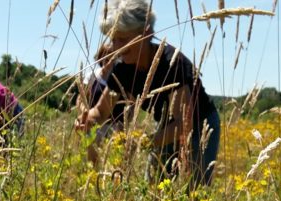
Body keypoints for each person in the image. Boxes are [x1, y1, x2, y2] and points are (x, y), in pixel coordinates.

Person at [75, 0, 221, 188]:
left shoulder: (172, 63)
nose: (116, 47)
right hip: (167, 127)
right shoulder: (122, 70)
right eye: (113, 39)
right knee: (152, 188)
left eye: (123, 39)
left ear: (146, 33)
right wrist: (87, 119)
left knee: (195, 191)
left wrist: (143, 141)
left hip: (201, 126)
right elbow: (101, 112)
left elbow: (184, 124)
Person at [79, 42, 128, 167]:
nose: (109, 60)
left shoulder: (123, 76)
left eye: (113, 56)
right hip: (95, 126)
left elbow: (130, 103)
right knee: (92, 164)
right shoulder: (93, 75)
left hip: (117, 127)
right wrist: (85, 113)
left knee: (114, 165)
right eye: (105, 57)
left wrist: (126, 125)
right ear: (100, 57)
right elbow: (80, 98)